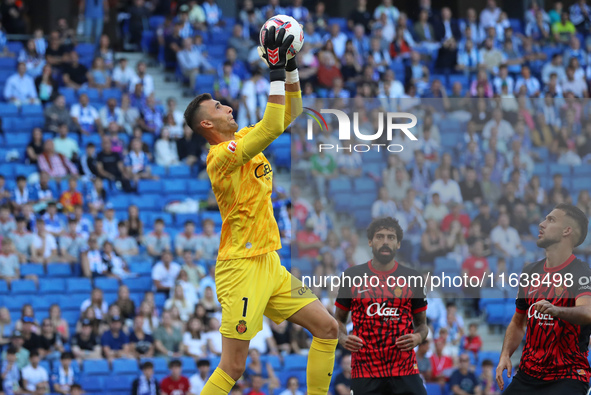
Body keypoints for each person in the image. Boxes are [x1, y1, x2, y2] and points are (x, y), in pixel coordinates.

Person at [183, 26, 338, 395]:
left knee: (328, 329)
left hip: (269, 263)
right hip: (240, 268)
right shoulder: (220, 158)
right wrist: (272, 68)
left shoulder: (241, 139)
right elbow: (271, 124)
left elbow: (291, 113)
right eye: (219, 107)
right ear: (207, 124)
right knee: (233, 366)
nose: (229, 107)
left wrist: (290, 67)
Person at [497, 203, 591, 394]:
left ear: (567, 230)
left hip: (568, 375)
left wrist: (557, 310)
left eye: (551, 220)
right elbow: (518, 322)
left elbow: (588, 312)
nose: (542, 224)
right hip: (527, 375)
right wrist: (505, 354)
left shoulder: (581, 272)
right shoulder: (529, 272)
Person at [335, 216, 428, 395]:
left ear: (398, 243)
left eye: (391, 237)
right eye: (380, 236)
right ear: (370, 241)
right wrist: (342, 337)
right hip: (365, 370)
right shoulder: (352, 276)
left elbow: (422, 326)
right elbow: (338, 320)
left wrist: (418, 338)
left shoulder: (413, 278)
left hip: (404, 368)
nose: (385, 241)